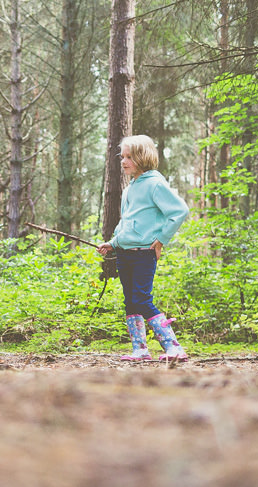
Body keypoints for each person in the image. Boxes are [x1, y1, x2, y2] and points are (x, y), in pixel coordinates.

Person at [98, 135, 190, 361]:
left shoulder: (154, 184)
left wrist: (161, 239)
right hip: (124, 254)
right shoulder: (130, 188)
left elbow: (179, 211)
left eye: (129, 157)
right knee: (130, 301)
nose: (124, 161)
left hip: (143, 254)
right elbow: (127, 222)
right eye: (122, 156)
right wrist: (113, 243)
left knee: (141, 299)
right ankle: (139, 350)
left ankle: (173, 346)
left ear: (143, 157)